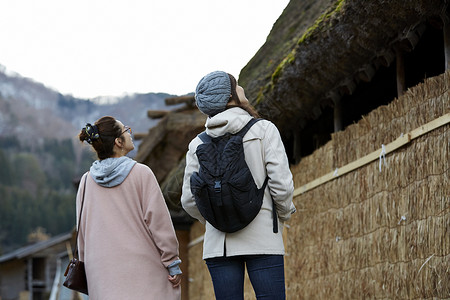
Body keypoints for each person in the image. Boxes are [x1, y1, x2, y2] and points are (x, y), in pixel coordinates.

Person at [181, 71, 296, 300]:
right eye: (236, 84)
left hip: (218, 244)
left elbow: (188, 200)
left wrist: (217, 218)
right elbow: (281, 185)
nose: (241, 87)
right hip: (262, 237)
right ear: (230, 96)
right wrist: (280, 215)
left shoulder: (197, 143)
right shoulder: (263, 130)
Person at [76, 116, 181, 300]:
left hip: (101, 275)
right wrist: (172, 261)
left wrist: (87, 268)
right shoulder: (141, 173)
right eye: (126, 130)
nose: (129, 134)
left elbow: (82, 233)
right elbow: (159, 222)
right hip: (145, 272)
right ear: (118, 142)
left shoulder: (85, 182)